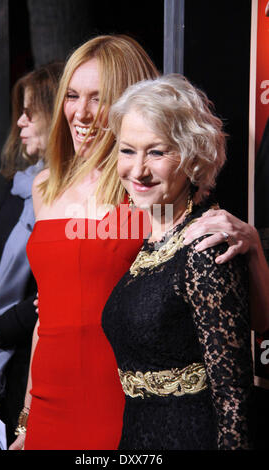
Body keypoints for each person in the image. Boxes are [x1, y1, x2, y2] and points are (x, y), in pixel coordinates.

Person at [10, 35, 267, 451]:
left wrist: (251, 242)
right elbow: (46, 314)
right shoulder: (46, 186)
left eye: (99, 98)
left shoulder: (146, 191)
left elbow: (239, 315)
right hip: (48, 404)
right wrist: (25, 418)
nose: (81, 111)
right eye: (72, 95)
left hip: (123, 404)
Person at [101, 74, 254, 450]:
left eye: (156, 152)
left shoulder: (207, 245)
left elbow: (234, 398)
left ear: (192, 157)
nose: (137, 171)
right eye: (127, 150)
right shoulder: (151, 244)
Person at [0, 62, 63, 447]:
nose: (20, 123)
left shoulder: (69, 198)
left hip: (26, 365)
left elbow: (47, 299)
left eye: (30, 112)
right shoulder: (21, 188)